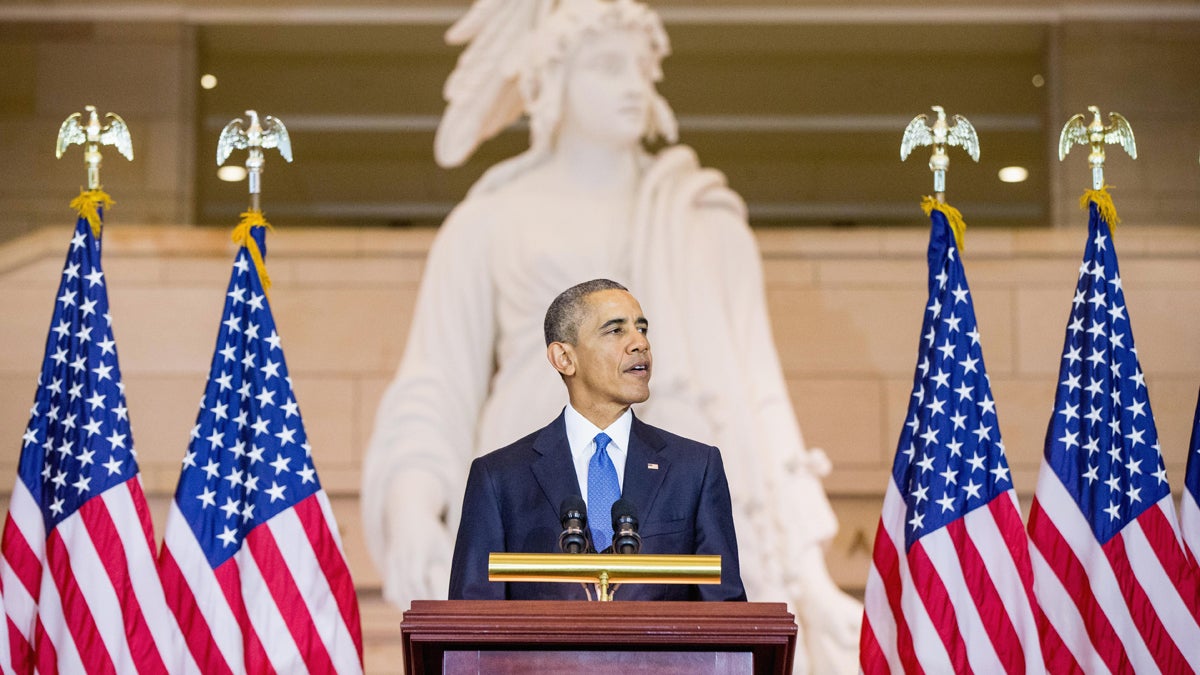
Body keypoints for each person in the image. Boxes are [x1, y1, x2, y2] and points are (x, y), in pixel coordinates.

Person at [362, 1, 860, 671]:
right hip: (529, 514)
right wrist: (415, 506)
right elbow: (435, 386)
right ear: (549, 81)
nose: (633, 84)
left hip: (671, 555)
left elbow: (759, 399)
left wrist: (807, 565)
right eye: (606, 64)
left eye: (641, 66)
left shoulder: (703, 223)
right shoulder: (488, 223)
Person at [448, 279, 746, 601]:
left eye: (642, 329)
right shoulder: (500, 478)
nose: (639, 344)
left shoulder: (695, 470)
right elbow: (471, 618)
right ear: (564, 357)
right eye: (616, 331)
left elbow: (726, 611)